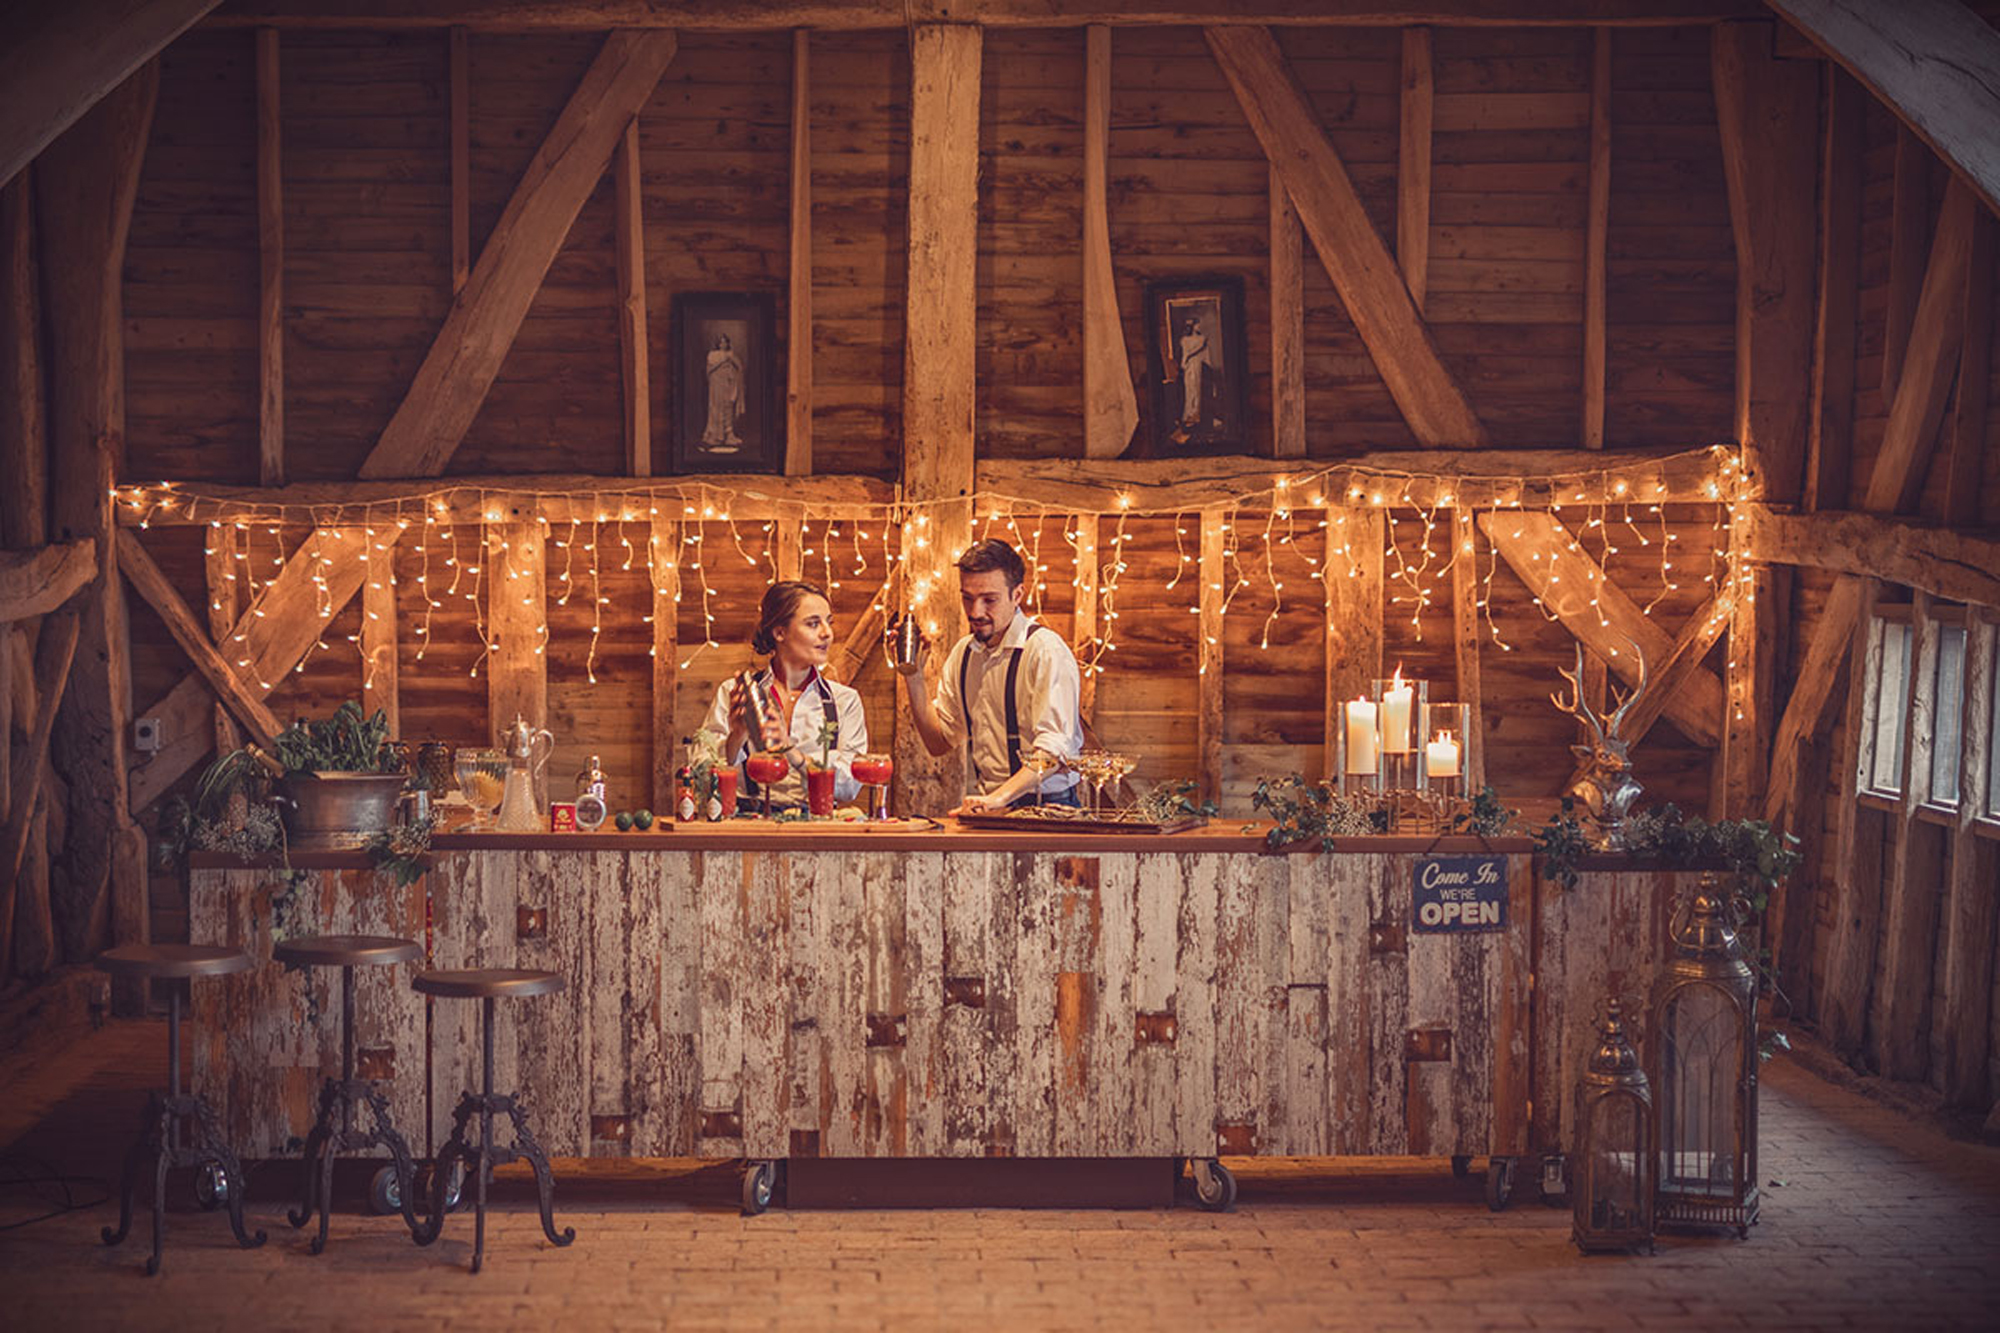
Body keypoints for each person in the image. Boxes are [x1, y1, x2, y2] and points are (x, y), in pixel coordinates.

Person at [897, 539, 1084, 813]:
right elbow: (938, 743)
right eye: (968, 598)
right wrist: (913, 677)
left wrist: (999, 797)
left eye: (989, 600)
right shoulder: (963, 654)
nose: (976, 612)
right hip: (991, 805)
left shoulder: (1045, 650)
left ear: (1017, 595)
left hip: (1050, 806)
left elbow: (1053, 751)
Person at [696, 580, 867, 810]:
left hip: (816, 827)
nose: (827, 633)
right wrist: (735, 739)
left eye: (829, 622)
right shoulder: (733, 693)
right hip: (747, 825)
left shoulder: (845, 701)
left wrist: (793, 754)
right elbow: (702, 777)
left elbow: (849, 787)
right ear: (779, 632)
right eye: (813, 623)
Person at [702, 332, 744, 450]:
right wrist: (723, 359)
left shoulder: (731, 354)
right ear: (718, 343)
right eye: (721, 342)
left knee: (728, 407)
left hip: (728, 384)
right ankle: (715, 436)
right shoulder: (712, 355)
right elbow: (710, 370)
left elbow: (739, 367)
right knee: (716, 408)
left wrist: (731, 361)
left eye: (725, 342)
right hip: (716, 385)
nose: (723, 344)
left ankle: (729, 435)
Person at [1177, 315, 1210, 430]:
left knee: (1196, 388)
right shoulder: (1185, 340)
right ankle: (1188, 414)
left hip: (1197, 365)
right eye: (1197, 324)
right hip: (1189, 366)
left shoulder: (1201, 338)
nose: (1198, 326)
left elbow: (1205, 356)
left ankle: (1196, 414)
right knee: (1189, 389)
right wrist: (1184, 364)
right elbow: (1185, 354)